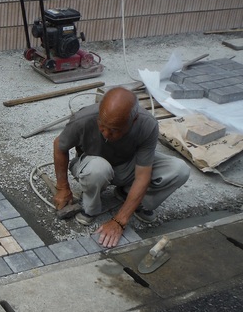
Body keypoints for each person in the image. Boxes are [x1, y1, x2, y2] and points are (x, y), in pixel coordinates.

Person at [53, 87, 190, 248]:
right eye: (102, 127)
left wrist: (120, 220)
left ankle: (130, 196)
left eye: (114, 131)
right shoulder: (83, 119)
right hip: (92, 164)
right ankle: (90, 207)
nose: (106, 134)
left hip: (128, 164)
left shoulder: (147, 124)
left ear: (133, 121)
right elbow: (59, 146)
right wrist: (62, 187)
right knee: (97, 169)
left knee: (179, 169)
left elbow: (142, 175)